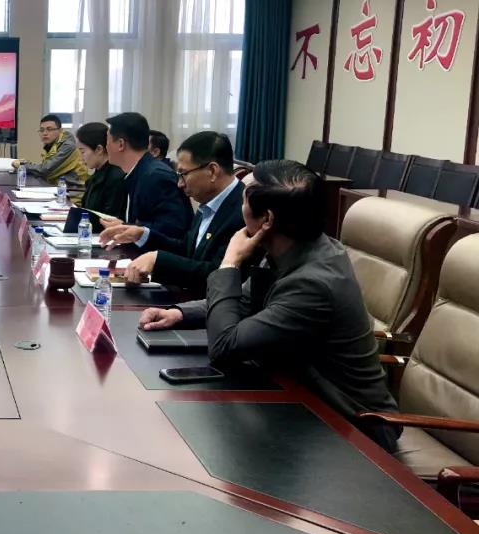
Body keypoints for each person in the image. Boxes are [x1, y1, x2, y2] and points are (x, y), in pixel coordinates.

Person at [138, 160, 401, 452]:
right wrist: (179, 313)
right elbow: (246, 301)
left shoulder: (313, 283)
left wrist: (230, 263)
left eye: (243, 200)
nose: (239, 209)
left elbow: (224, 346)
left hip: (353, 428)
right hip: (297, 395)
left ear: (267, 219)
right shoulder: (293, 245)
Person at [124, 131, 249, 296]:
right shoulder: (208, 203)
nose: (180, 184)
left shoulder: (244, 210)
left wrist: (159, 260)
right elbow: (187, 251)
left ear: (212, 171)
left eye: (183, 174)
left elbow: (218, 273)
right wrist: (143, 235)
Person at [99, 113, 192, 249]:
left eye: (107, 142)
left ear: (121, 144)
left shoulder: (156, 177)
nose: (106, 147)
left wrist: (126, 227)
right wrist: (124, 226)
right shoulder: (139, 171)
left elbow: (173, 230)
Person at [63, 121, 127, 234]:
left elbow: (108, 220)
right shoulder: (94, 177)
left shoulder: (116, 178)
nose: (80, 158)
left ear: (99, 149)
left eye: (82, 151)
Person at [12, 114, 88, 186]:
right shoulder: (52, 144)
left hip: (73, 190)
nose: (45, 133)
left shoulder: (68, 146)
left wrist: (22, 165)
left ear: (60, 131)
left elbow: (45, 170)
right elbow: (45, 167)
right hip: (56, 186)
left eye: (49, 129)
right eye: (42, 130)